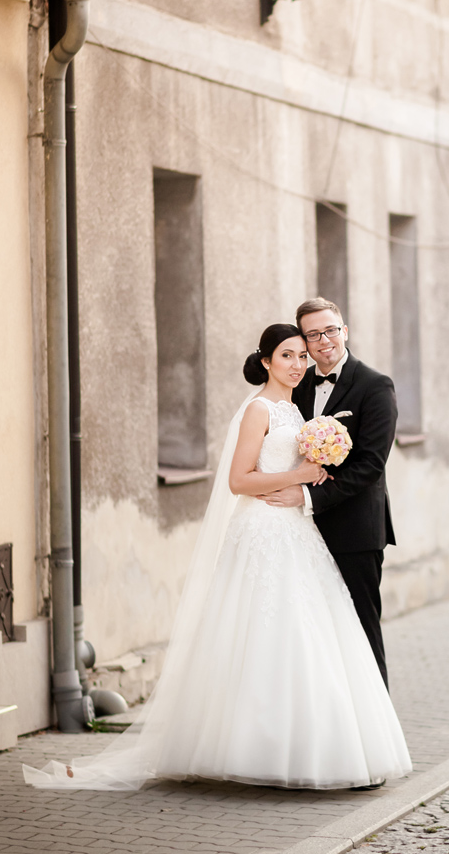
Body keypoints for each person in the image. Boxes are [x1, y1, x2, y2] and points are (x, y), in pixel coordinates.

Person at [22, 324, 410, 791]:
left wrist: (309, 479)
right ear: (265, 361)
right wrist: (302, 475)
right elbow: (239, 481)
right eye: (286, 356)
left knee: (306, 635)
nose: (297, 364)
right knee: (256, 631)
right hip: (263, 528)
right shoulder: (257, 409)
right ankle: (248, 749)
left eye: (301, 357)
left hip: (297, 531)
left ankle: (307, 746)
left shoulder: (294, 408)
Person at [260, 299, 396, 686]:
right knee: (315, 636)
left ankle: (376, 732)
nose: (323, 341)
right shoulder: (294, 385)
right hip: (300, 535)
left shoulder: (374, 386)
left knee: (361, 633)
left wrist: (306, 498)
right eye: (312, 334)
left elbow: (371, 465)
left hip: (355, 532)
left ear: (344, 332)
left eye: (330, 330)